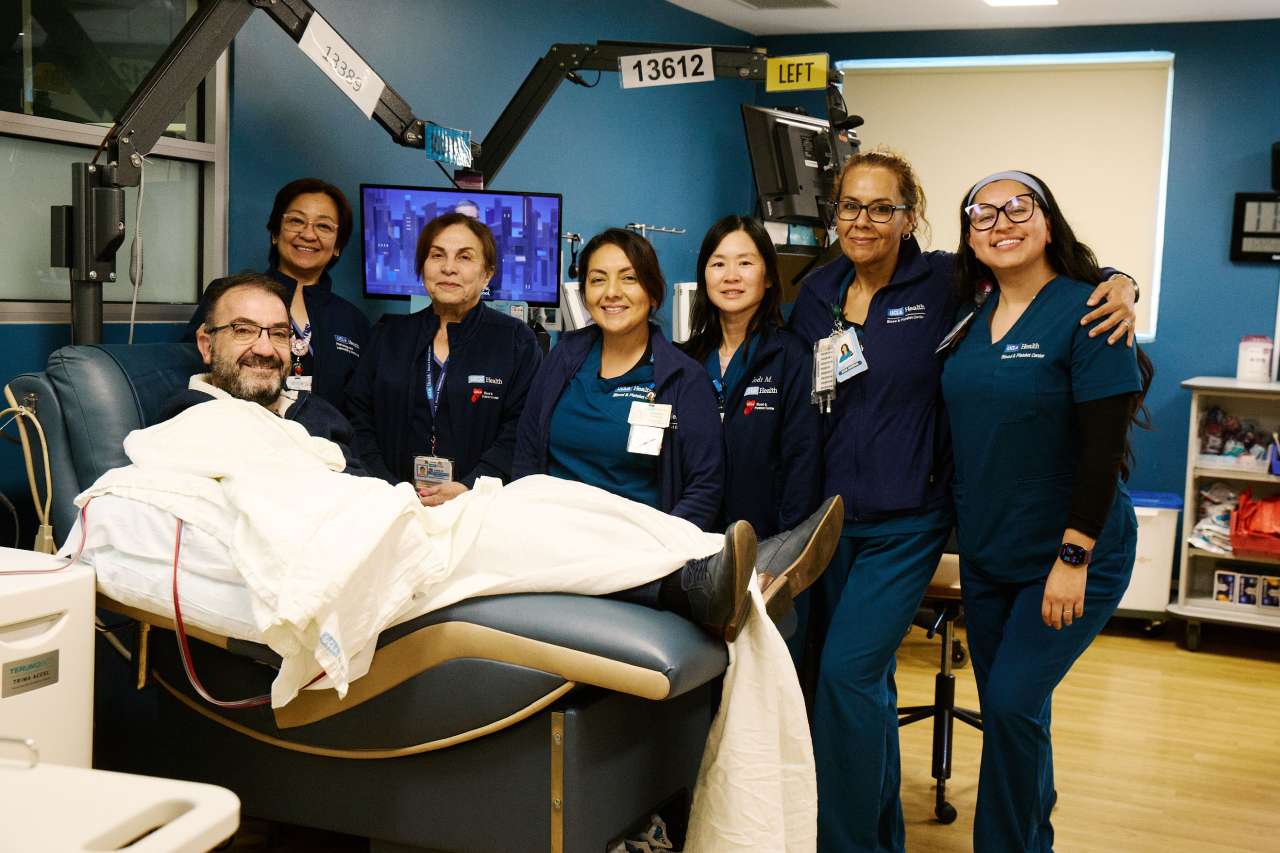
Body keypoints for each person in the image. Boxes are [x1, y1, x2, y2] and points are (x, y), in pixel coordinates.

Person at [155, 271, 841, 644]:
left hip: (396, 523)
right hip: (378, 543)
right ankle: (692, 582)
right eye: (244, 331)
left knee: (551, 498)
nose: (266, 346)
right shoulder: (202, 422)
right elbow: (271, 499)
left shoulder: (308, 413)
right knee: (529, 522)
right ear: (205, 342)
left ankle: (713, 565)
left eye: (278, 332)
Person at [786, 149, 1140, 853]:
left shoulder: (946, 281)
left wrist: (1121, 280)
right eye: (849, 206)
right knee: (972, 704)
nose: (864, 220)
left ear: (910, 215)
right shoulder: (825, 291)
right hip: (889, 533)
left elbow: (1043, 271)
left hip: (943, 526)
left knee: (912, 689)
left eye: (882, 206)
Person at [941, 170, 1151, 852]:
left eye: (1017, 208)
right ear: (968, 237)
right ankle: (1034, 835)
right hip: (991, 551)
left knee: (1008, 704)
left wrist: (1073, 555)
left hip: (1071, 552)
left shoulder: (1091, 312)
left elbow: (1103, 448)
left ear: (1049, 223)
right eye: (982, 214)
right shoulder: (968, 314)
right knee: (1018, 713)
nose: (1000, 222)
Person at [513, 228, 723, 531]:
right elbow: (527, 452)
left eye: (629, 278)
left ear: (652, 292)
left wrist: (660, 553)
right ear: (584, 294)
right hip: (549, 535)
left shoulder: (683, 379)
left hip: (639, 552)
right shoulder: (563, 359)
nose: (611, 292)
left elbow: (704, 487)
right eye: (598, 279)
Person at [346, 213, 542, 507]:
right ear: (422, 267)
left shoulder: (516, 341)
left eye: (464, 257)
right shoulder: (387, 336)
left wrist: (471, 488)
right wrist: (386, 487)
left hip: (479, 506)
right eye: (437, 255)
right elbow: (358, 417)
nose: (449, 268)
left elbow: (523, 428)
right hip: (390, 503)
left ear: (486, 273)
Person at [681, 215, 824, 541]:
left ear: (769, 276)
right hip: (692, 546)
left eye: (745, 263)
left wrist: (781, 554)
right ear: (704, 276)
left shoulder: (792, 358)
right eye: (718, 264)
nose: (731, 276)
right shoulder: (686, 361)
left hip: (765, 547)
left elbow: (802, 466)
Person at [183, 178, 370, 410]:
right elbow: (192, 371)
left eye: (323, 226)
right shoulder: (228, 296)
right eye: (296, 221)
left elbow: (361, 405)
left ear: (338, 245)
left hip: (326, 440)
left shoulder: (354, 321)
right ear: (275, 232)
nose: (308, 234)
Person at [165, 273, 364, 475]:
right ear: (207, 346)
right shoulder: (187, 427)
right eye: (243, 330)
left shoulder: (321, 413)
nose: (265, 350)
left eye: (278, 334)